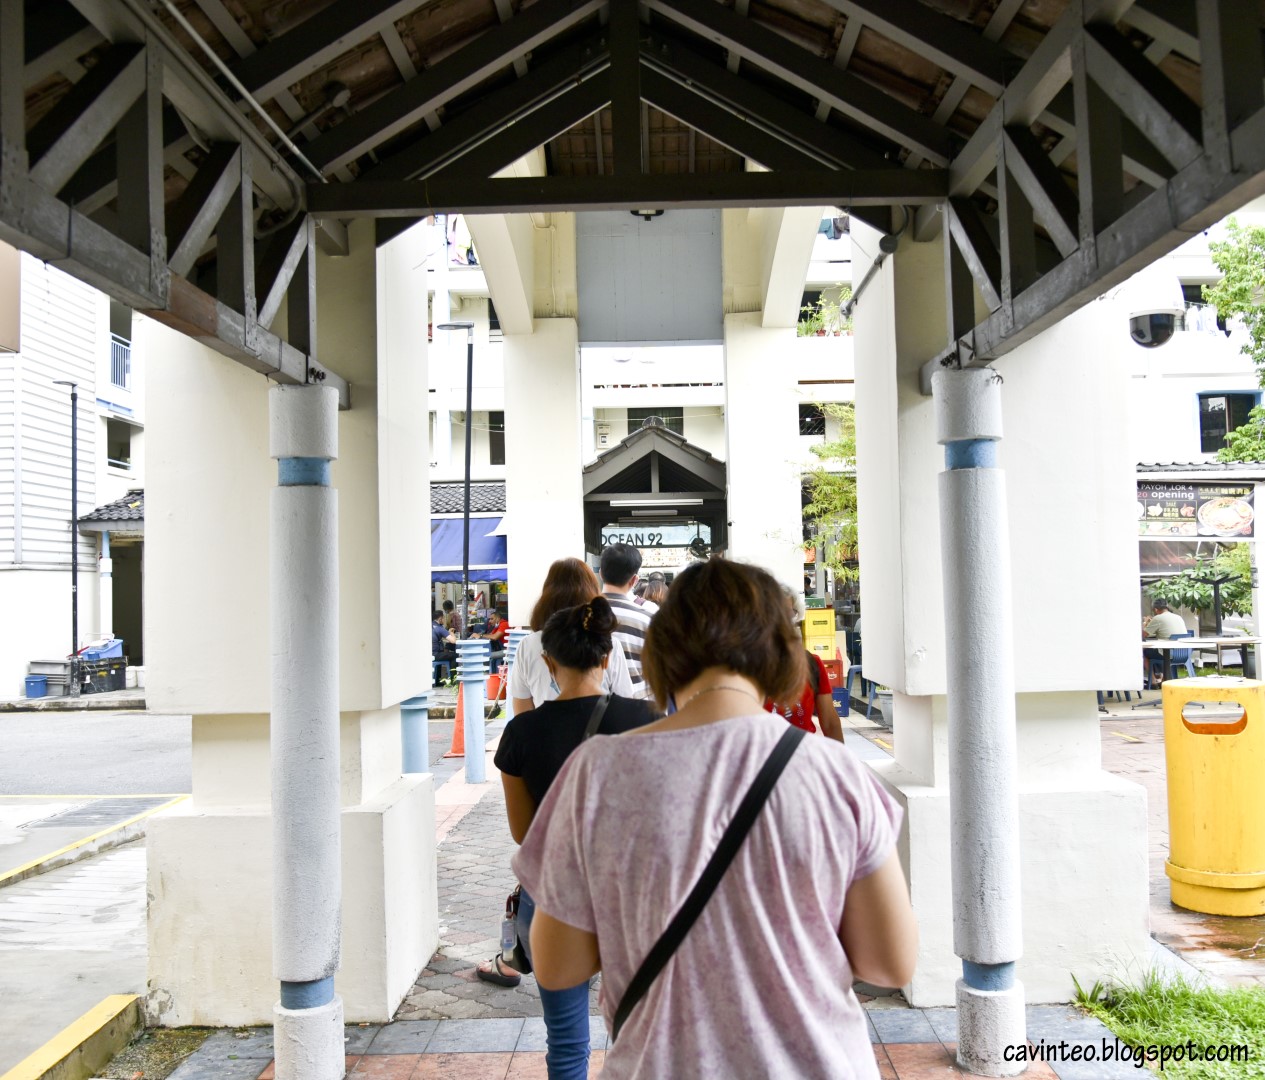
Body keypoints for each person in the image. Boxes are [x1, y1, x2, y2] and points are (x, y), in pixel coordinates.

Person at [514, 559, 917, 1077]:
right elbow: (889, 962)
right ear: (781, 651)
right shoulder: (835, 773)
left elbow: (557, 964)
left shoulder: (596, 774)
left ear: (663, 651)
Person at [481, 597, 656, 1077]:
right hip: (633, 895)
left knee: (565, 1044)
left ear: (547, 661)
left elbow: (523, 833)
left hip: (555, 893)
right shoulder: (647, 719)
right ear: (607, 657)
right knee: (641, 1036)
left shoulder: (521, 733)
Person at [508, 557, 636, 721]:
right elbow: (624, 704)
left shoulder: (528, 645)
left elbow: (522, 711)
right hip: (599, 740)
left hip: (545, 741)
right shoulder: (607, 643)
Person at [766, 590, 844, 743]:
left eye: (788, 613)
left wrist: (842, 763)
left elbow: (830, 723)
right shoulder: (745, 666)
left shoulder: (811, 663)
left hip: (803, 756)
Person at [600, 543, 656, 697]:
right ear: (634, 580)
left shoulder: (579, 616)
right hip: (638, 708)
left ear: (601, 574)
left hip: (591, 711)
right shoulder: (647, 620)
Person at [1143, 598, 1187, 685]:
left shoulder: (1158, 618)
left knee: (1144, 652)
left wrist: (1145, 622)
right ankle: (1160, 677)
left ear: (1156, 609)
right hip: (1184, 653)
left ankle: (1153, 681)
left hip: (1169, 654)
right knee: (1155, 650)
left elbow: (1143, 634)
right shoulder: (1178, 617)